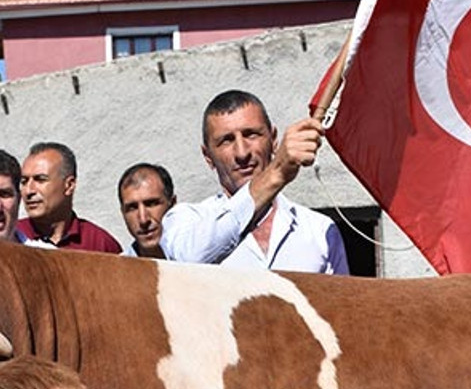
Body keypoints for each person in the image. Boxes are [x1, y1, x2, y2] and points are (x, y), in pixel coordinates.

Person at [160, 90, 349, 274]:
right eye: (226, 141)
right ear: (208, 157)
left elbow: (339, 305)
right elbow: (190, 260)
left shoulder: (320, 230)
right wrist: (277, 172)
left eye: (251, 134)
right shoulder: (185, 221)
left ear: (273, 139)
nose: (242, 153)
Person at [18, 141, 122, 253]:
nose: (29, 191)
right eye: (24, 182)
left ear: (69, 185)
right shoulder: (13, 237)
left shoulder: (99, 244)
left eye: (40, 180)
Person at [117, 163, 176, 260]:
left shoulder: (201, 258)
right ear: (123, 213)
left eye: (151, 204)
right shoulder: (116, 271)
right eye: (132, 208)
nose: (143, 219)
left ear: (172, 204)